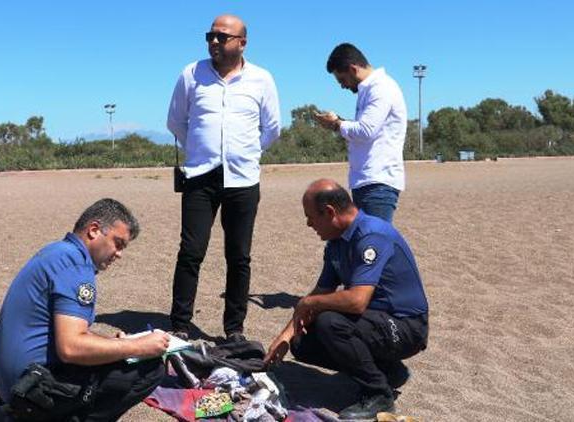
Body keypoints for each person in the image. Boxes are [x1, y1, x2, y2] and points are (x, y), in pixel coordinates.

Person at [0, 198, 170, 421]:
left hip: (12, 387)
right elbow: (71, 347)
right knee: (151, 368)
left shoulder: (57, 252)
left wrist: (115, 344)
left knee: (120, 354)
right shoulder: (76, 266)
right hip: (30, 394)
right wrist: (135, 347)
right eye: (118, 243)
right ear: (94, 230)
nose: (119, 254)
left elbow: (65, 332)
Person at [265, 179, 428, 420]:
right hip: (376, 322)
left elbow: (356, 301)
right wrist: (285, 337)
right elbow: (321, 291)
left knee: (329, 322)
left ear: (330, 212)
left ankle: (379, 394)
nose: (309, 224)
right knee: (303, 341)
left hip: (406, 327)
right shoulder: (336, 243)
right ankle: (388, 370)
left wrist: (309, 304)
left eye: (310, 217)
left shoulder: (372, 235)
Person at [166, 14, 281, 342]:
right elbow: (176, 122)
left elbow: (272, 129)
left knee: (239, 255)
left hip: (243, 179)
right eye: (210, 36)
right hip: (200, 177)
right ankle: (180, 323)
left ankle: (234, 329)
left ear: (242, 43)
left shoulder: (261, 79)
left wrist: (245, 153)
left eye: (222, 36)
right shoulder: (191, 74)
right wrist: (202, 152)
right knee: (190, 251)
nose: (214, 41)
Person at [314, 43, 408, 223]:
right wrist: (340, 122)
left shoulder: (381, 88)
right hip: (367, 182)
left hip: (378, 183)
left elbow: (366, 131)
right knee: (366, 243)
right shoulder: (370, 90)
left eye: (342, 80)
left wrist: (336, 125)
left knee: (373, 245)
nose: (343, 86)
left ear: (352, 69)